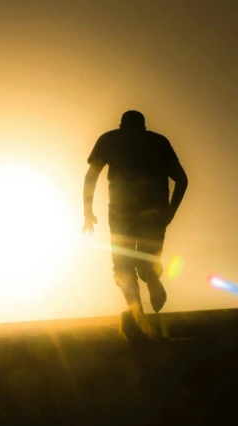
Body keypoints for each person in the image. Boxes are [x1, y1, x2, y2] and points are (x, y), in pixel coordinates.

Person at [81, 110, 189, 340]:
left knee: (123, 266)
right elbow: (182, 179)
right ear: (144, 127)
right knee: (147, 261)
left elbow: (92, 176)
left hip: (122, 210)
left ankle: (138, 314)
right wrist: (170, 212)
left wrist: (87, 211)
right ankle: (151, 278)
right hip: (155, 211)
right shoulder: (158, 141)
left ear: (121, 126)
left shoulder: (110, 139)